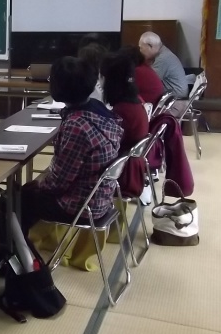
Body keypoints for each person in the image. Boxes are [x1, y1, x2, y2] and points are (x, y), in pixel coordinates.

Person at [20, 57, 122, 235]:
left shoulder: (77, 125)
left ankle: (15, 249)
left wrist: (36, 185)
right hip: (102, 198)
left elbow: (58, 183)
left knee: (16, 199)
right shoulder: (98, 109)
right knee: (26, 193)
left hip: (80, 206)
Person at [101, 52, 150, 198]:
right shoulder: (135, 102)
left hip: (120, 175)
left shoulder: (122, 111)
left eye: (102, 77)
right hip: (130, 170)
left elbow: (107, 148)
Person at [138, 32, 188, 99]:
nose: (140, 51)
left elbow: (149, 80)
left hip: (176, 98)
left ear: (150, 46)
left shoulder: (163, 58)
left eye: (141, 48)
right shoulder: (162, 53)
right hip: (173, 94)